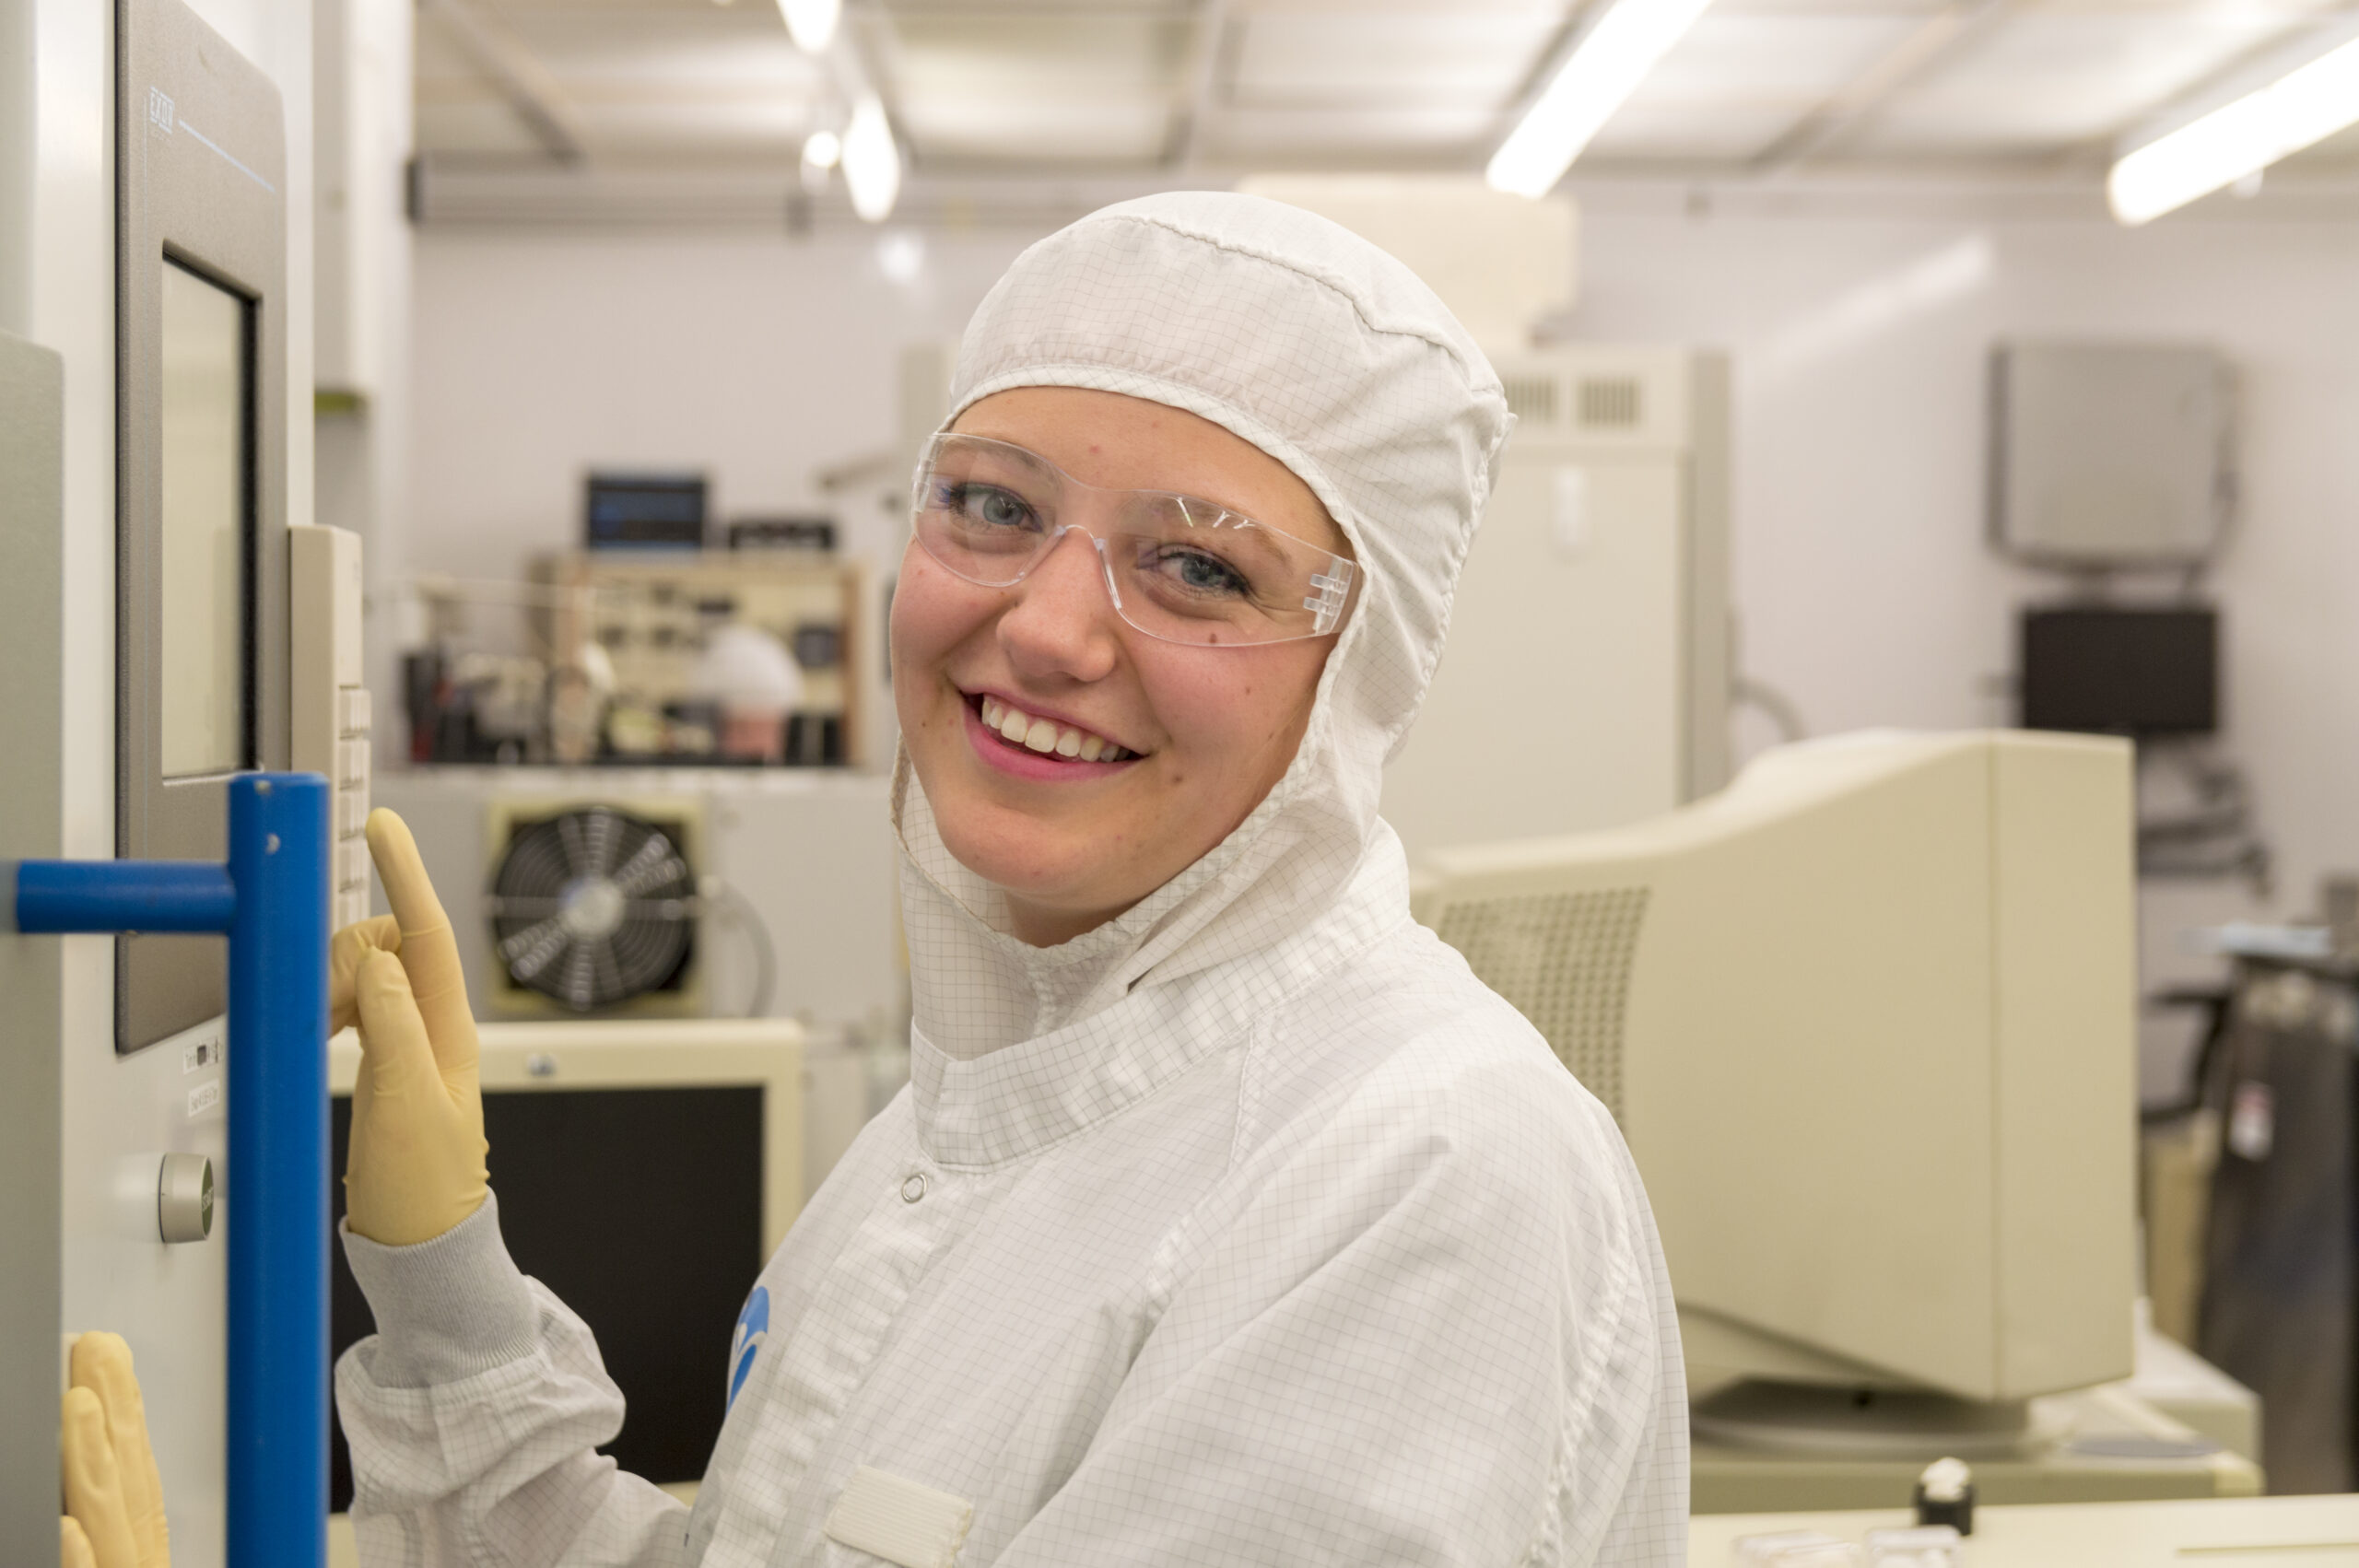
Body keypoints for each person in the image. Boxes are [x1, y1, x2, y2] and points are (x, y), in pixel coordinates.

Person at [333, 192, 1688, 1566]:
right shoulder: (967, 1118)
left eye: (1201, 565)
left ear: (1359, 673)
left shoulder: (1423, 1172)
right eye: (992, 504)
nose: (1044, 628)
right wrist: (444, 1277)